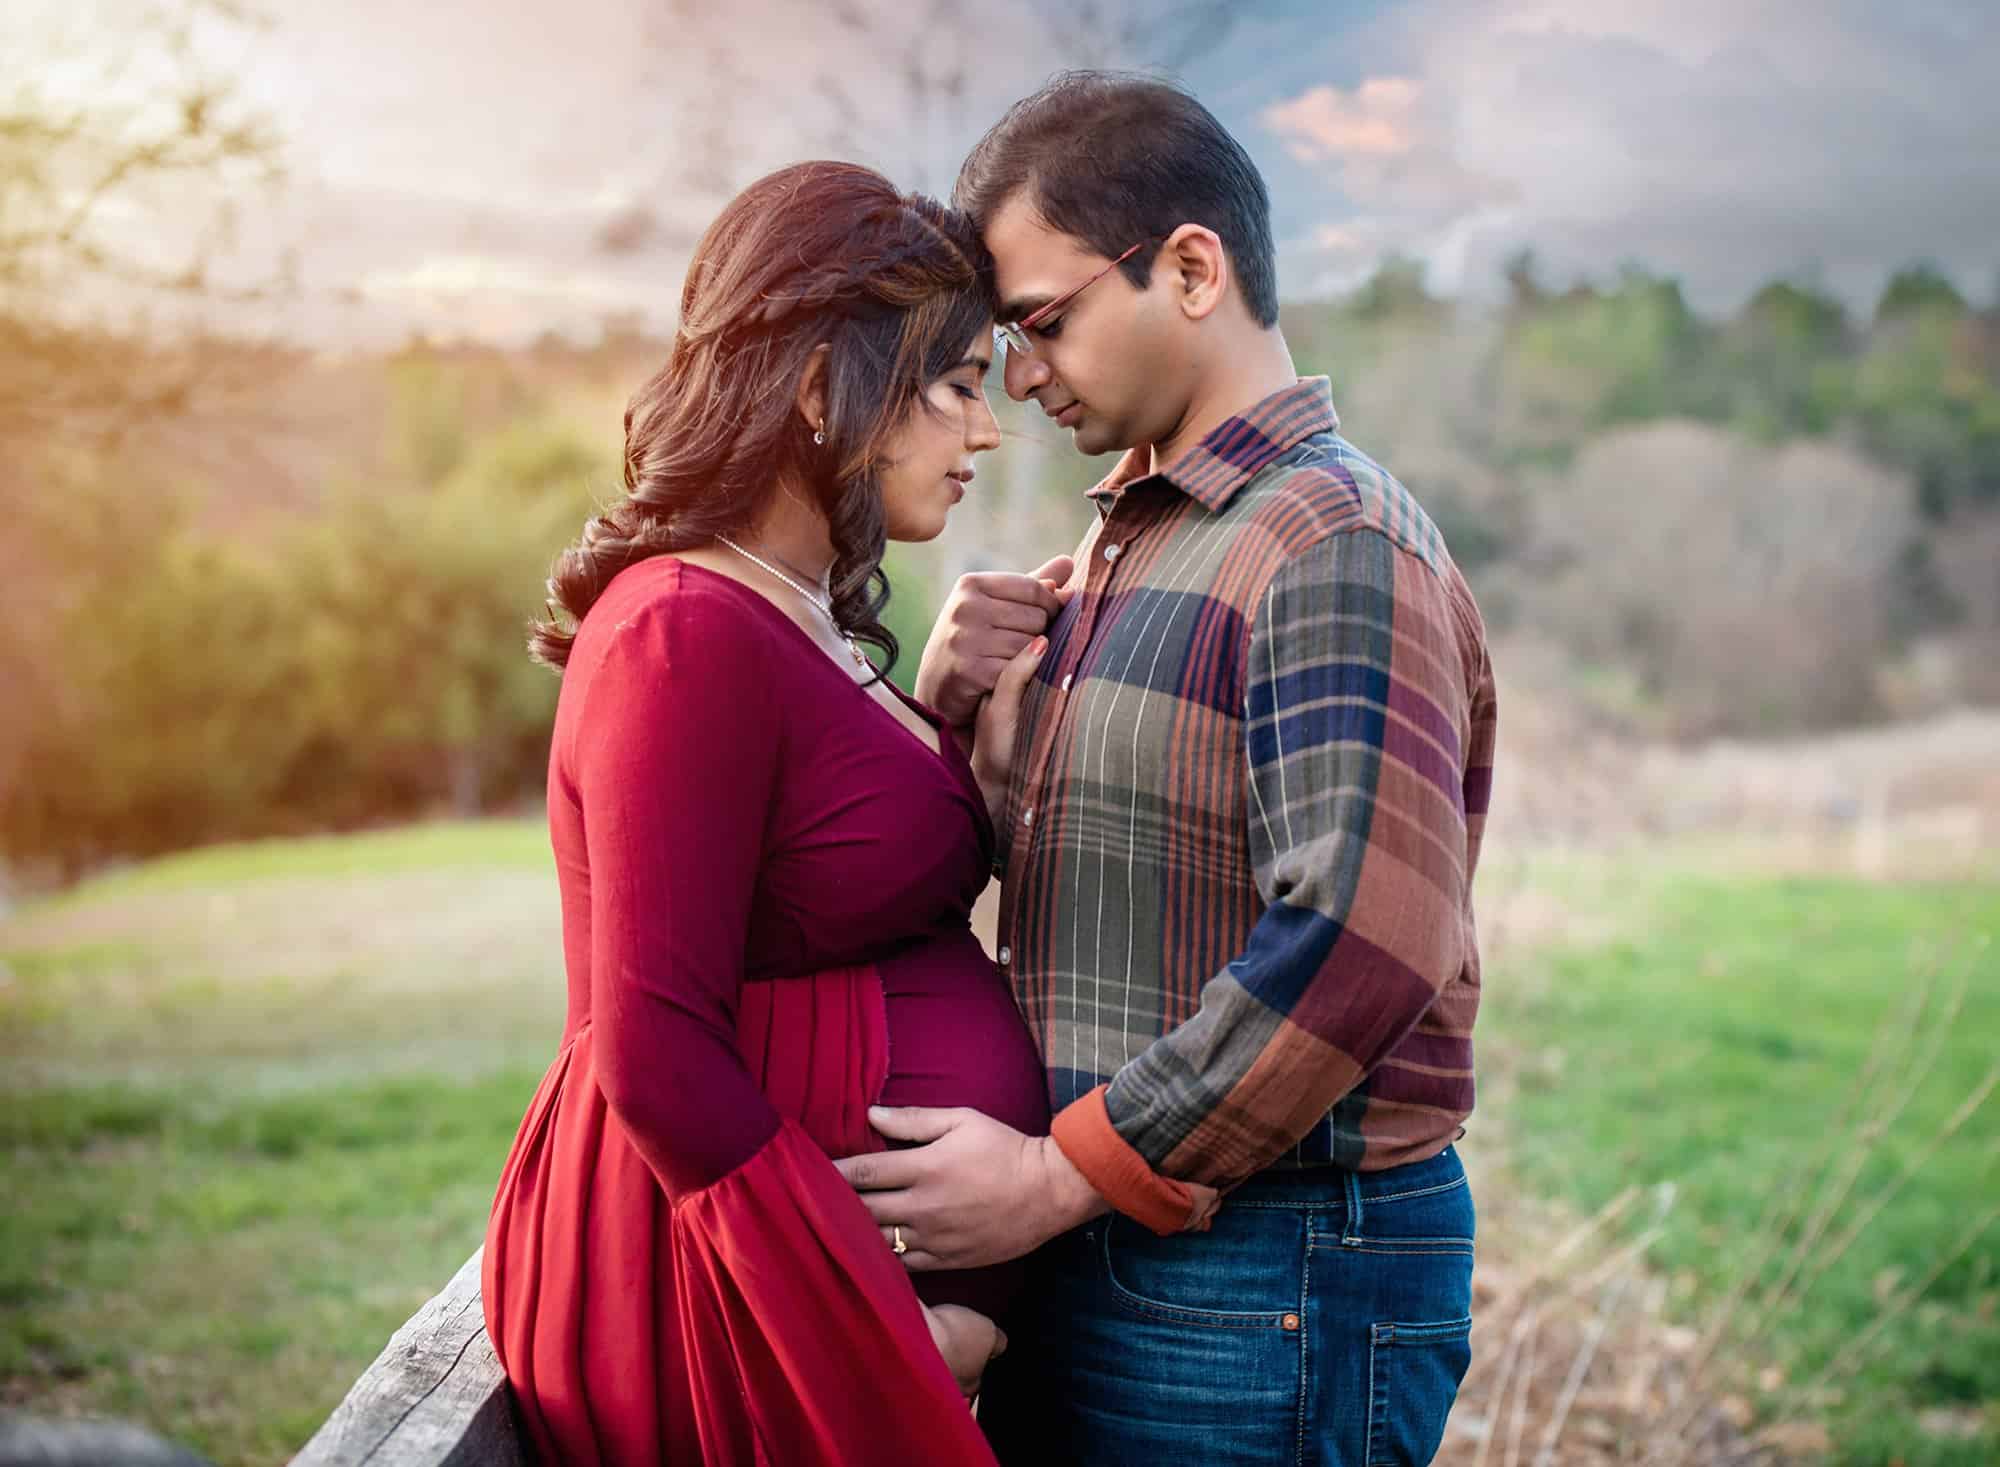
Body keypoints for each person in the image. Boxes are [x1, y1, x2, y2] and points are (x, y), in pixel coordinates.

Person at [834, 74, 1500, 1465]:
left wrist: (1051, 1177)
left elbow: (1364, 938)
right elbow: (1108, 887)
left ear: (1191, 269)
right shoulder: (1129, 543)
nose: (1020, 378)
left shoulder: (1330, 543)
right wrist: (949, 718)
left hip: (1268, 1276)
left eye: (1043, 323)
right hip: (1120, 1255)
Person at [482, 159, 1050, 1467]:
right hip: (723, 1302)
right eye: (958, 385)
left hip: (780, 1293)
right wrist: (867, 1332)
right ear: (817, 387)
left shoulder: (796, 613)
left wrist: (956, 727)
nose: (984, 433)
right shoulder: (682, 631)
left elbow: (825, 866)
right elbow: (657, 1056)